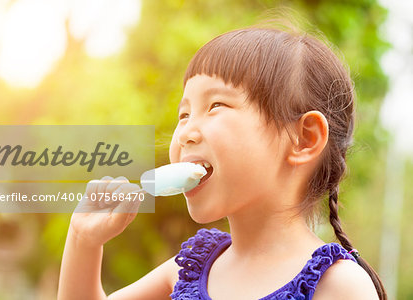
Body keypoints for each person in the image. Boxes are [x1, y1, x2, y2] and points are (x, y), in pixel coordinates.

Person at [58, 19, 387, 300]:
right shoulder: (193, 267)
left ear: (304, 139)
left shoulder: (340, 286)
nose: (185, 132)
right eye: (184, 113)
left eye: (216, 106)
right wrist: (83, 241)